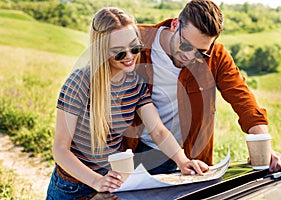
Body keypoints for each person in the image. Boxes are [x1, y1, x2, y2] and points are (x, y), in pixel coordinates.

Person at [46, 7, 209, 199]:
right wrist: (95, 181)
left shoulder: (135, 84)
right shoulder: (80, 83)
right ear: (102, 51)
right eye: (119, 53)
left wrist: (182, 161)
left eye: (134, 48)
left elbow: (158, 131)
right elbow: (60, 149)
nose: (130, 56)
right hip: (72, 186)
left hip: (111, 185)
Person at [123, 0, 281, 175]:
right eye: (186, 45)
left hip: (189, 159)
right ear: (175, 24)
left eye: (200, 51)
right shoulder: (136, 41)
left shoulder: (216, 57)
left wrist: (263, 144)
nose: (189, 56)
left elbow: (243, 100)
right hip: (135, 150)